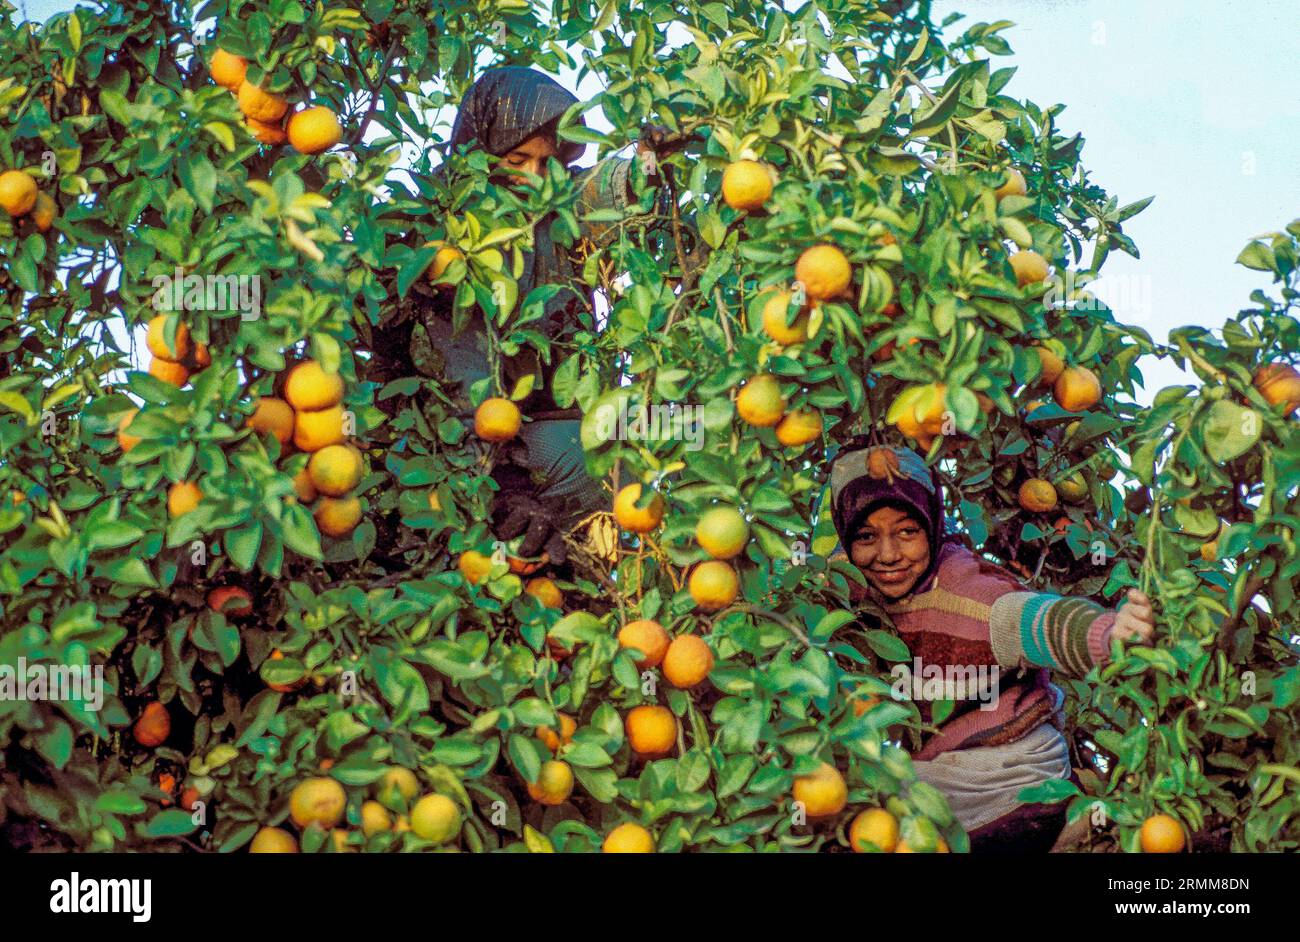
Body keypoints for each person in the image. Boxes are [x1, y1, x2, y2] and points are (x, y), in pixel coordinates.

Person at [826, 440, 1156, 852]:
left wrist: (1109, 634)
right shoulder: (850, 595)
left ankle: (1069, 827)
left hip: (1014, 782)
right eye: (866, 536)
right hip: (940, 778)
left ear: (930, 525)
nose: (888, 554)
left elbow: (1034, 622)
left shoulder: (965, 591)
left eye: (907, 532)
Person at [425, 66, 679, 563]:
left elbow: (603, 190)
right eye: (517, 159)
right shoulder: (447, 233)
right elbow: (454, 365)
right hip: (490, 435)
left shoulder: (556, 207)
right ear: (481, 152)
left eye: (548, 162)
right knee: (591, 464)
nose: (533, 177)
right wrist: (503, 483)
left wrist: (648, 160)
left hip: (554, 420)